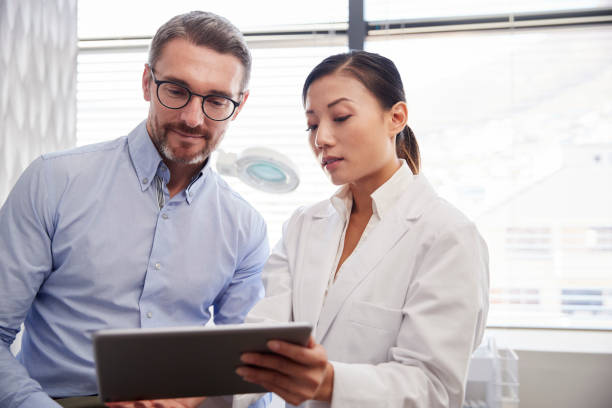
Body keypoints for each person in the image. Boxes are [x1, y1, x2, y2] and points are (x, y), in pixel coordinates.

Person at [0, 11, 269, 408]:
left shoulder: (245, 226)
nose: (193, 118)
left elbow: (250, 367)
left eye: (215, 100)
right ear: (147, 82)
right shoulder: (53, 181)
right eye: (176, 91)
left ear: (239, 104)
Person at [232, 51, 490, 408]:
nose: (320, 138)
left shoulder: (448, 236)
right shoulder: (303, 226)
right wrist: (189, 396)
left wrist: (329, 383)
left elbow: (434, 389)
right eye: (311, 124)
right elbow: (262, 339)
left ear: (395, 117)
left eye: (340, 117)